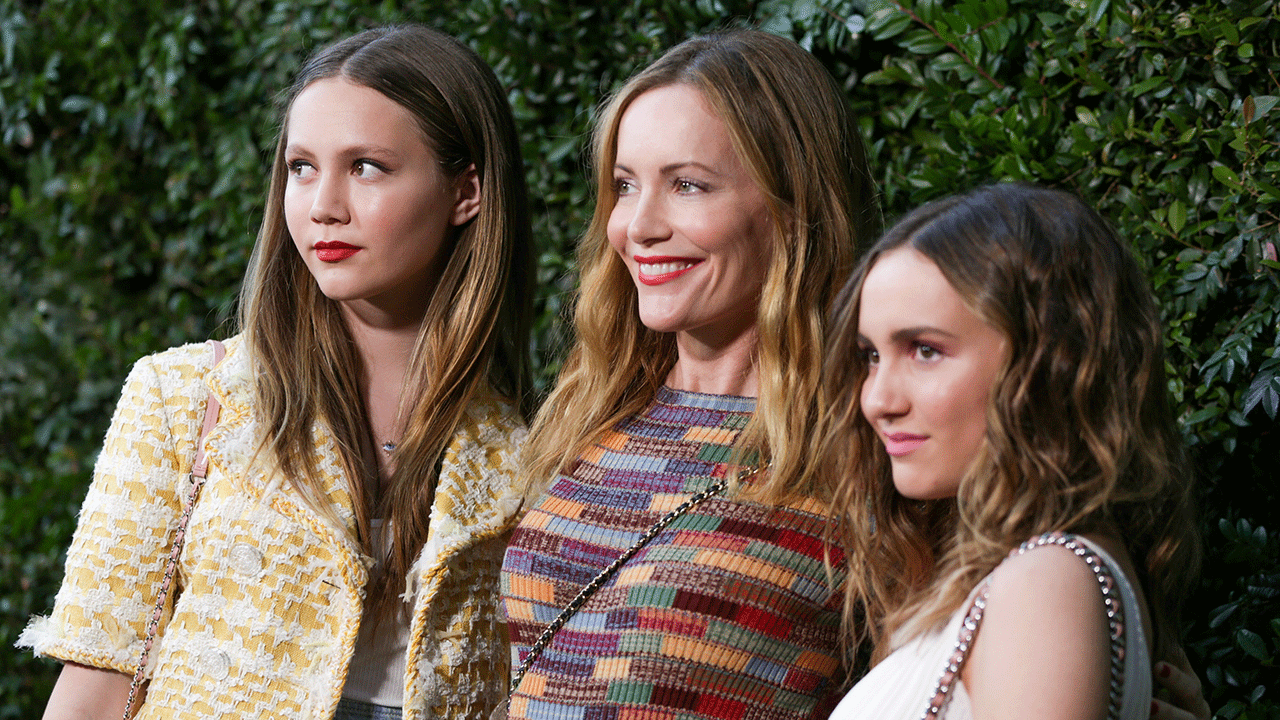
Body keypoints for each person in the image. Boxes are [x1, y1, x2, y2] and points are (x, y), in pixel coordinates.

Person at [19, 24, 532, 720]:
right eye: (302, 167)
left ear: (466, 191)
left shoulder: (529, 448)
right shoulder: (185, 397)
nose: (322, 205)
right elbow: (95, 690)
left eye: (367, 167)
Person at [499, 29, 880, 720]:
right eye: (624, 186)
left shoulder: (868, 445)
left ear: (793, 210)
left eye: (688, 186)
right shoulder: (591, 413)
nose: (637, 226)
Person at [820, 182, 1202, 720]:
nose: (878, 399)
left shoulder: (1044, 585)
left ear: (1046, 362)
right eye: (870, 357)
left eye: (925, 350)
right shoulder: (1040, 578)